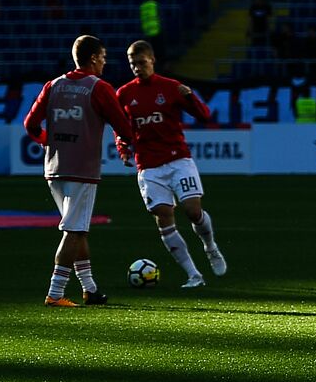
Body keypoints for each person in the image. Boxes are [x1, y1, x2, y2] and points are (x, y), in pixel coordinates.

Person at [23, 35, 136, 307]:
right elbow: (123, 126)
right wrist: (130, 141)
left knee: (79, 229)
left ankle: (90, 289)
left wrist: (46, 141)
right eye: (104, 57)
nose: (105, 63)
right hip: (82, 170)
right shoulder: (99, 88)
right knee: (73, 231)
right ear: (94, 57)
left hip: (54, 169)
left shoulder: (53, 85)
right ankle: (55, 292)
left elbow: (30, 124)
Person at [115, 39, 226, 288]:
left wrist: (192, 97)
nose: (137, 68)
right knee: (164, 218)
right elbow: (121, 127)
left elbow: (204, 115)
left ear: (152, 60)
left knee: (193, 211)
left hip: (178, 159)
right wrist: (123, 149)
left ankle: (210, 247)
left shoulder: (171, 87)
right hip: (149, 166)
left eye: (141, 63)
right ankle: (194, 275)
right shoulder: (124, 93)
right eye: (132, 64)